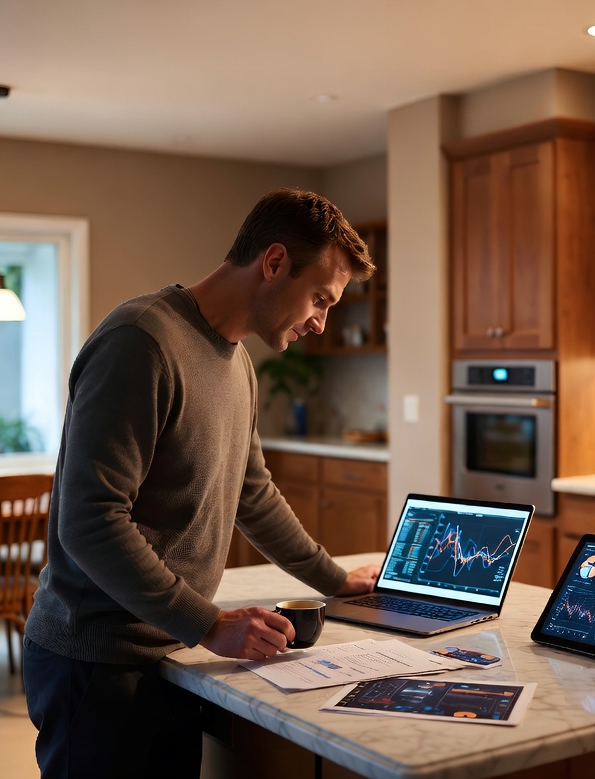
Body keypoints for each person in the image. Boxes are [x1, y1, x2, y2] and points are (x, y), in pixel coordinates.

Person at [23, 188, 381, 778]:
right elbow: (90, 521)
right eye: (320, 297)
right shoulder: (141, 341)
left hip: (167, 651)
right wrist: (208, 622)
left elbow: (252, 491)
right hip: (96, 662)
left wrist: (334, 579)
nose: (322, 321)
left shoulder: (236, 361)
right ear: (273, 263)